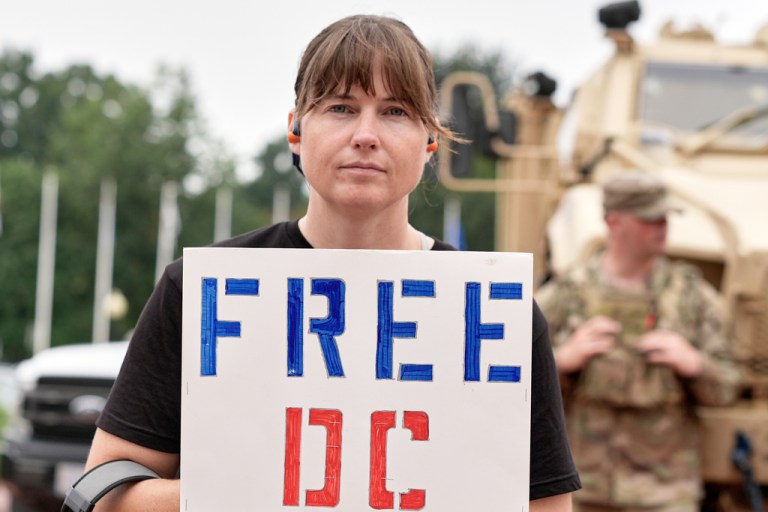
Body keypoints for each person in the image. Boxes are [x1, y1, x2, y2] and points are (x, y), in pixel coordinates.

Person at [85, 14, 580, 511]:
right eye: (341, 107)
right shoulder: (200, 291)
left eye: (395, 112)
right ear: (296, 130)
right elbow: (105, 493)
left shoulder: (496, 312)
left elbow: (546, 504)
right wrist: (244, 487)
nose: (365, 134)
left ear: (431, 140)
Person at [537, 172, 740, 512]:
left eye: (665, 218)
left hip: (665, 491)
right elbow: (514, 386)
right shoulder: (566, 296)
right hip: (583, 488)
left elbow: (728, 388)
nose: (662, 227)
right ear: (614, 221)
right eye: (650, 218)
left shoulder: (692, 298)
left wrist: (694, 363)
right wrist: (561, 360)